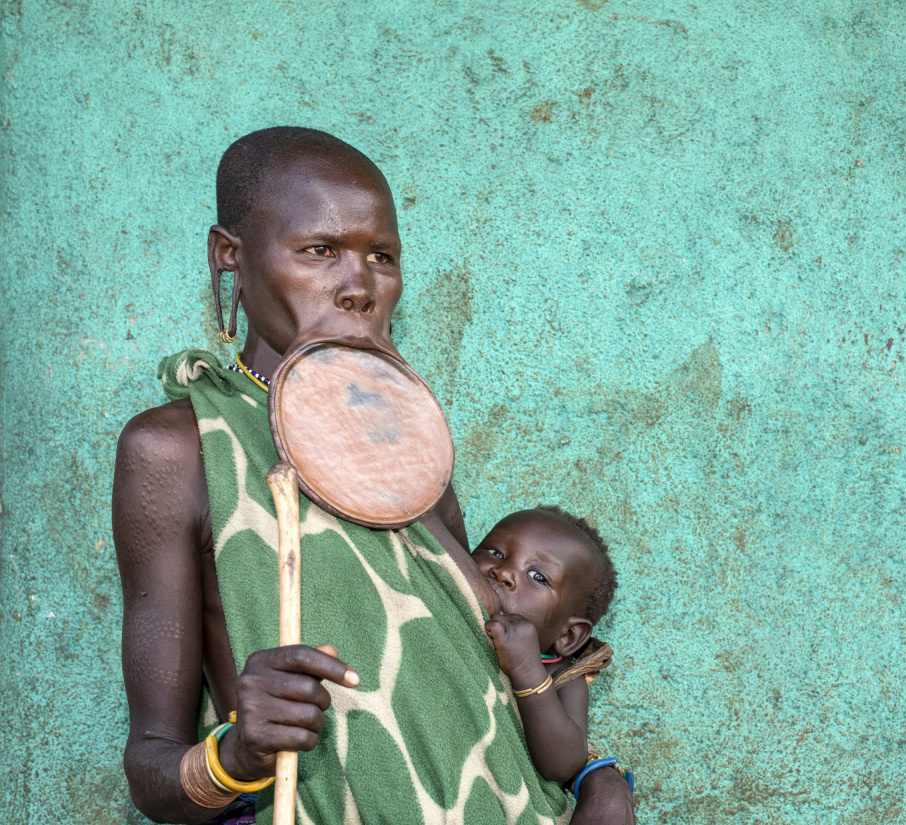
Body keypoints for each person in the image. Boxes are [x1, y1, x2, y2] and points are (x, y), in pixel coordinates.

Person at [112, 126, 635, 825]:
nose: (358, 287)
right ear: (228, 254)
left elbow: (480, 673)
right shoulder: (177, 450)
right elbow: (152, 774)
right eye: (319, 250)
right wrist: (235, 755)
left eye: (381, 257)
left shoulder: (411, 448)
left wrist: (599, 781)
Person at [442, 506, 629, 789]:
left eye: (537, 577)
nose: (503, 572)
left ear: (569, 635)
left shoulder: (561, 676)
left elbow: (564, 764)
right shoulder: (448, 601)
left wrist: (527, 669)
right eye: (495, 552)